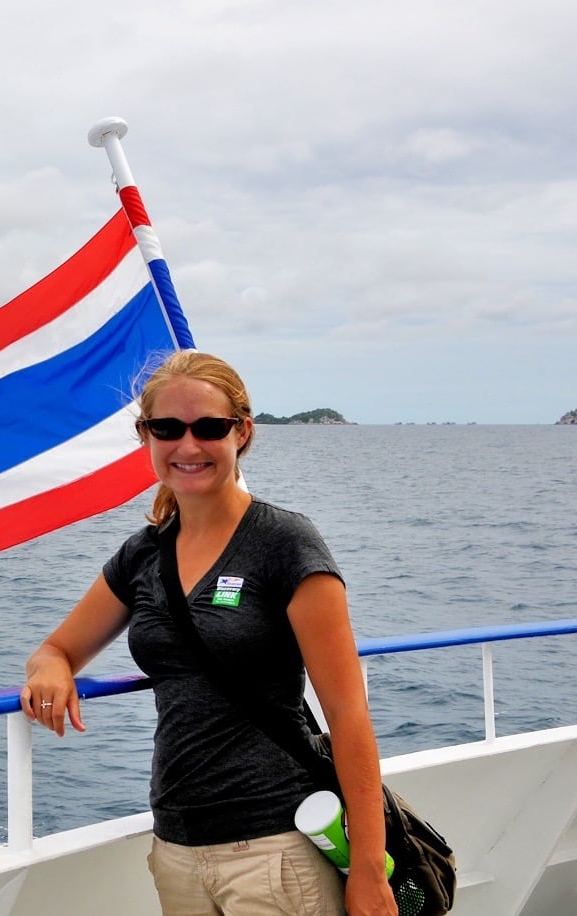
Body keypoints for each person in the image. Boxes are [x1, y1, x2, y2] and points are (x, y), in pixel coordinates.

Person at [21, 351, 397, 916]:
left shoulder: (283, 543)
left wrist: (369, 869)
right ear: (145, 435)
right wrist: (50, 667)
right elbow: (58, 646)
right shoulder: (145, 553)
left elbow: (348, 714)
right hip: (176, 849)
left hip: (277, 849)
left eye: (209, 428)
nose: (188, 446)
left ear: (241, 432)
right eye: (167, 428)